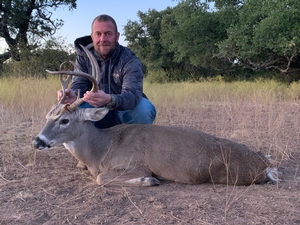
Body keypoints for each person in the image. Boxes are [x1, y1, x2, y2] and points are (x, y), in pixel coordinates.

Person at [57, 14, 156, 128]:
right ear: (92, 36)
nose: (103, 39)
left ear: (117, 36)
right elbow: (79, 84)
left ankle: (134, 144)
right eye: (98, 34)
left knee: (144, 109)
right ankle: (85, 144)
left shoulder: (129, 59)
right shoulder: (84, 56)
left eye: (108, 34)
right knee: (66, 110)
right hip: (95, 108)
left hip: (122, 110)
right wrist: (73, 94)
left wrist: (109, 99)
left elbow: (132, 95)